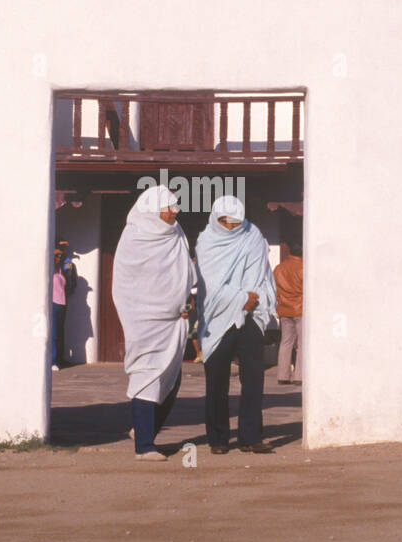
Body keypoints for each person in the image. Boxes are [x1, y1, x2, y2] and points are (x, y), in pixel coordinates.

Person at [112, 185, 196, 462]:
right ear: (152, 209)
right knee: (147, 375)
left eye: (175, 207)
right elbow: (131, 282)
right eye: (168, 208)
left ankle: (144, 429)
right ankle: (144, 447)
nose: (174, 213)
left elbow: (185, 274)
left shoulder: (176, 234)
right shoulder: (134, 237)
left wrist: (184, 304)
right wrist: (161, 305)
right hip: (143, 319)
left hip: (175, 321)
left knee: (172, 380)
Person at [196, 195, 277, 454]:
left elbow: (260, 275)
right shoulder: (206, 241)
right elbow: (210, 286)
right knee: (216, 381)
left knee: (253, 378)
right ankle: (218, 439)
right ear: (215, 219)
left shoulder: (252, 236)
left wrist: (252, 300)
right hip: (219, 317)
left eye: (235, 222)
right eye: (225, 221)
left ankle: (250, 436)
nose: (231, 227)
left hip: (251, 315)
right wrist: (241, 298)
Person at [273, 240, 303, 385]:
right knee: (303, 344)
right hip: (301, 308)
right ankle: (299, 376)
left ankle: (282, 376)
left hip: (284, 308)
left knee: (285, 342)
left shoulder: (279, 268)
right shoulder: (304, 268)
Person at [50, 238, 78, 371]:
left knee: (60, 333)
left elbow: (70, 281)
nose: (59, 255)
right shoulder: (51, 268)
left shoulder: (65, 266)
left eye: (60, 254)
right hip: (54, 303)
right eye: (57, 254)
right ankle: (53, 360)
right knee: (54, 333)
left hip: (62, 303)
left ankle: (59, 359)